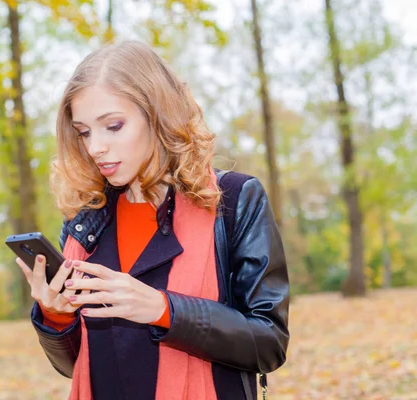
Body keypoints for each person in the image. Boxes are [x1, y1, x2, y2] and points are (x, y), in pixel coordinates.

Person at [15, 40, 289, 400]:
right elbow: (77, 366)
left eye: (113, 126)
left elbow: (268, 343)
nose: (95, 146)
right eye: (83, 131)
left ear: (158, 115)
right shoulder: (86, 220)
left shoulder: (235, 199)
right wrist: (56, 317)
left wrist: (164, 310)